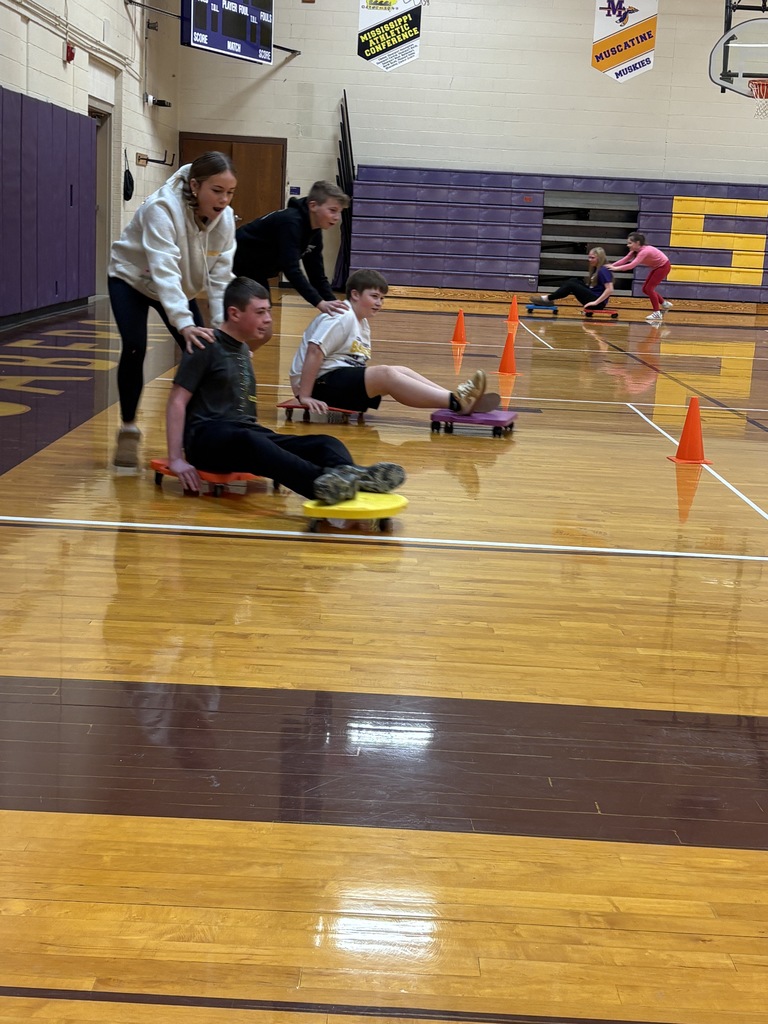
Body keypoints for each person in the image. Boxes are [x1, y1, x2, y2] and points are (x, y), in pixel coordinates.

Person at [166, 277, 406, 506]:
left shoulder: (242, 350)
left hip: (246, 433)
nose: (268, 319)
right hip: (207, 440)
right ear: (234, 313)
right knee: (251, 441)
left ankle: (354, 476)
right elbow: (177, 401)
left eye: (268, 311)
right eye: (260, 312)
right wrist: (176, 459)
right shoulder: (204, 344)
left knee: (326, 444)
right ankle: (320, 484)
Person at [108, 151, 239, 468]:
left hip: (177, 287)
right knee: (136, 346)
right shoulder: (161, 208)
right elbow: (164, 268)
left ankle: (203, 435)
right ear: (195, 186)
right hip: (132, 279)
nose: (223, 200)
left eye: (230, 192)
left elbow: (221, 279)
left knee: (203, 352)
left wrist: (222, 329)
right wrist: (184, 323)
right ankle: (128, 428)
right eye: (216, 191)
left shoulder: (224, 222)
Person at [289, 269, 493, 417]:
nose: (379, 303)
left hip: (334, 382)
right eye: (374, 296)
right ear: (355, 294)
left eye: (382, 298)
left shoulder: (362, 322)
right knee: (385, 374)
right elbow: (315, 350)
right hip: (317, 387)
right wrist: (305, 396)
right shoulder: (343, 315)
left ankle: (455, 397)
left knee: (400, 370)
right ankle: (457, 402)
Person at [233, 180, 350, 316]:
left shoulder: (315, 232)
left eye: (339, 212)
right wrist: (319, 302)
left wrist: (334, 304)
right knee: (255, 314)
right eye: (332, 211)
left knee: (262, 315)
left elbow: (316, 275)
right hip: (234, 263)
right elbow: (291, 269)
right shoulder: (291, 222)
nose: (337, 218)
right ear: (313, 206)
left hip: (255, 271)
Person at [607, 232, 673, 323]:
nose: (627, 245)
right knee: (645, 289)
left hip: (663, 266)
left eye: (630, 243)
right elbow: (625, 260)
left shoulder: (644, 251)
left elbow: (631, 265)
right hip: (657, 267)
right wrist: (610, 266)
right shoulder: (635, 251)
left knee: (649, 289)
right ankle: (664, 303)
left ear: (637, 243)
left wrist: (615, 268)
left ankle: (657, 313)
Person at [532, 247, 614, 311]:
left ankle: (548, 299)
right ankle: (549, 298)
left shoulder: (603, 270)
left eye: (592, 258)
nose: (589, 260)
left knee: (572, 285)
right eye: (589, 257)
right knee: (573, 280)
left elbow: (609, 289)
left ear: (599, 258)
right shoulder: (597, 269)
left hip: (597, 303)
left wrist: (595, 302)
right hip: (594, 296)